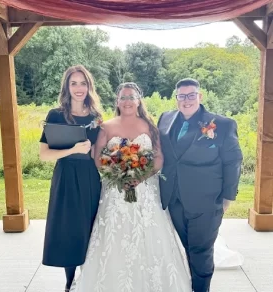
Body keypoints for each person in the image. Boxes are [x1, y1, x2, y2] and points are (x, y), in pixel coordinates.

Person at [73, 82, 192, 292]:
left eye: (131, 97)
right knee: (116, 237)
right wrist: (117, 175)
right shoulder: (106, 127)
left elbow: (158, 157)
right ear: (117, 101)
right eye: (123, 97)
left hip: (146, 191)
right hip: (115, 191)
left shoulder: (150, 126)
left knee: (151, 237)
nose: (127, 101)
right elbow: (98, 157)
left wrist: (139, 177)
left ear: (139, 101)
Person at [158, 78, 243, 292]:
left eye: (191, 95)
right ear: (176, 97)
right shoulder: (165, 119)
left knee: (201, 251)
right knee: (184, 249)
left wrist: (228, 198)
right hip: (174, 199)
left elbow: (233, 161)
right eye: (182, 96)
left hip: (206, 201)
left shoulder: (222, 124)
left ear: (200, 96)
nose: (186, 100)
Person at [39, 65, 102, 292]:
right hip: (66, 175)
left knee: (89, 225)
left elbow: (97, 153)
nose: (78, 88)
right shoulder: (55, 115)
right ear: (66, 86)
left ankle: (89, 278)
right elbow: (44, 154)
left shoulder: (96, 116)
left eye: (83, 83)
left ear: (89, 86)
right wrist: (73, 150)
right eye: (73, 83)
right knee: (69, 226)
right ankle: (69, 282)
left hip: (90, 176)